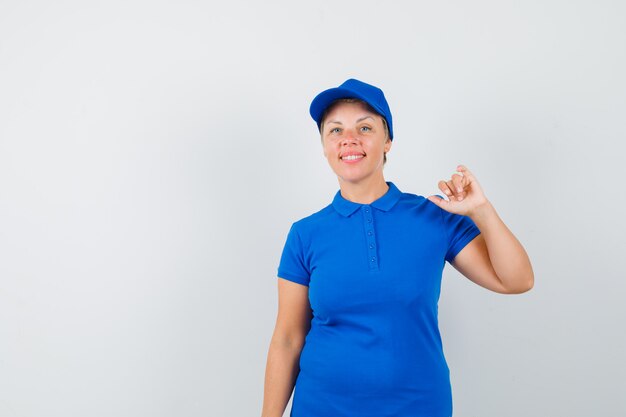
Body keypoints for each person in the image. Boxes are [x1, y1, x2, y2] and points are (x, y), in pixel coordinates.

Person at [261, 78, 534, 417]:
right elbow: (287, 339)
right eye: (335, 130)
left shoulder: (435, 216)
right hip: (322, 407)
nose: (349, 139)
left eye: (365, 127)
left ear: (387, 141)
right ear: (324, 146)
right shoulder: (305, 234)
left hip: (418, 406)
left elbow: (517, 280)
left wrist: (482, 210)